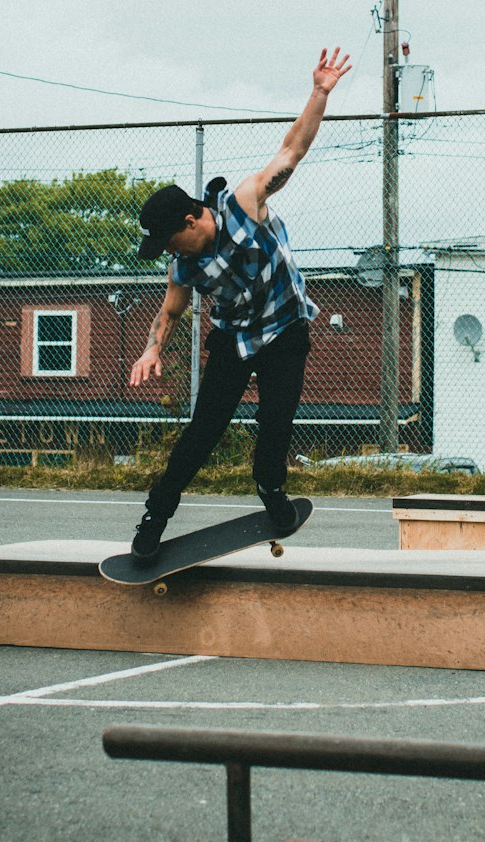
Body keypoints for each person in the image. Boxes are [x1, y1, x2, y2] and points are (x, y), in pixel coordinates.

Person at [128, 46, 352, 561]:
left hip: (285, 328)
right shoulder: (182, 264)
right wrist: (151, 350)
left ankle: (271, 489)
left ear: (191, 221)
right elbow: (170, 311)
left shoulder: (244, 203)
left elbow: (292, 151)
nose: (170, 255)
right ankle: (155, 515)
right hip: (233, 337)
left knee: (276, 421)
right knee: (202, 431)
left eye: (169, 242)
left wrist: (318, 93)